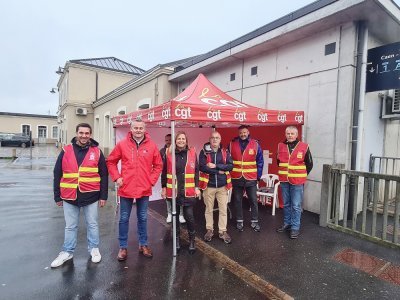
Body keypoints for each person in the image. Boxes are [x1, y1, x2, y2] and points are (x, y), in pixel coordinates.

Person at [51, 123, 108, 268]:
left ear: (90, 134)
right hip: (70, 196)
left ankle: (94, 249)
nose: (84, 135)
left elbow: (104, 175)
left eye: (87, 133)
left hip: (91, 196)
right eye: (81, 133)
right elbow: (57, 173)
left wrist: (103, 196)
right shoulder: (66, 150)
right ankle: (67, 251)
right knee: (70, 226)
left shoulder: (97, 152)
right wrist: (57, 196)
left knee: (93, 224)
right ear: (76, 133)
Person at [107, 119, 163, 260]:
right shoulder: (122, 145)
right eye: (136, 128)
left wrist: (151, 180)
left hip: (144, 188)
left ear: (145, 129)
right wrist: (116, 177)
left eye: (141, 128)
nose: (138, 130)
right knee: (124, 218)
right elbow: (111, 161)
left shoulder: (151, 146)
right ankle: (123, 247)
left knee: (143, 217)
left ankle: (143, 244)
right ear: (130, 129)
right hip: (126, 188)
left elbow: (158, 165)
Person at [161, 131, 200, 254]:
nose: (181, 141)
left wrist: (197, 187)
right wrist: (163, 188)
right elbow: (164, 171)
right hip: (174, 191)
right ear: (175, 141)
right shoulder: (169, 153)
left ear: (186, 140)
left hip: (188, 191)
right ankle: (176, 240)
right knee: (175, 217)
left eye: (183, 139)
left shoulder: (192, 153)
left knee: (189, 216)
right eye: (179, 139)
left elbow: (196, 171)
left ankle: (192, 240)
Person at [276, 126, 313, 239]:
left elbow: (309, 164)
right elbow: (279, 162)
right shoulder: (280, 146)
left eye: (292, 133)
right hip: (284, 180)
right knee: (286, 204)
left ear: (297, 135)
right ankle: (287, 223)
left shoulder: (304, 146)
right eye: (288, 133)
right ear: (285, 134)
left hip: (297, 181)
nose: (290, 135)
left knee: (296, 205)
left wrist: (300, 175)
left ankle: (295, 228)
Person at [199, 131, 233, 244]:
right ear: (210, 139)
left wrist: (216, 166)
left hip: (222, 186)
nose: (215, 140)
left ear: (220, 139)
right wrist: (220, 171)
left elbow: (230, 166)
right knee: (208, 209)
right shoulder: (203, 152)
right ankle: (210, 230)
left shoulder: (225, 151)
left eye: (217, 138)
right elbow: (202, 167)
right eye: (213, 138)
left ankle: (222, 231)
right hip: (209, 186)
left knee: (223, 210)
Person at [229, 125, 264, 232]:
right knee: (238, 200)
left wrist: (258, 176)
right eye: (241, 133)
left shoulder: (256, 144)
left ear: (248, 132)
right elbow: (228, 161)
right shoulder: (231, 144)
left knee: (253, 200)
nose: (243, 134)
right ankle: (239, 221)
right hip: (236, 177)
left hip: (251, 178)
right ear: (238, 133)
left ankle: (254, 221)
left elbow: (260, 162)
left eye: (244, 132)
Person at [160, 134, 186, 224]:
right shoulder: (163, 151)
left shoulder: (178, 151)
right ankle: (169, 214)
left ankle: (181, 214)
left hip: (179, 180)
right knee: (169, 198)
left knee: (181, 197)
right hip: (169, 180)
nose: (168, 142)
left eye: (170, 140)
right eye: (166, 140)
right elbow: (162, 167)